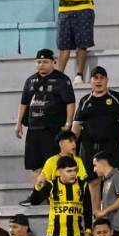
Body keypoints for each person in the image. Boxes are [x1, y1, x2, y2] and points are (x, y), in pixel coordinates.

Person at [16, 48, 77, 179]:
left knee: (54, 164)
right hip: (33, 129)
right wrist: (18, 123)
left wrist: (68, 123)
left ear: (53, 62)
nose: (41, 65)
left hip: (52, 130)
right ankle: (38, 190)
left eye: (45, 62)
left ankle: (53, 191)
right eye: (39, 62)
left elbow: (70, 102)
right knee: (35, 166)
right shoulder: (30, 80)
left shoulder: (62, 79)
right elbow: (24, 103)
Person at [73, 71, 119, 172]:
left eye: (102, 78)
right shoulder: (84, 101)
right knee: (90, 178)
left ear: (107, 80)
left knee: (112, 176)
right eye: (95, 78)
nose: (99, 81)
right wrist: (71, 147)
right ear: (90, 81)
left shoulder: (118, 98)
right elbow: (76, 126)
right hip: (89, 147)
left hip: (112, 146)